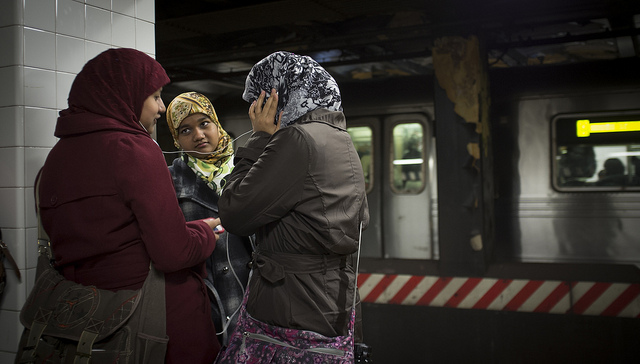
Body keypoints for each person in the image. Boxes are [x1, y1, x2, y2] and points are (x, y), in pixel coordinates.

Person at [35, 48, 220, 363]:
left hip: (86, 320)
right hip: (153, 321)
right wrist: (202, 234)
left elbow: (107, 237)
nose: (161, 108)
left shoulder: (55, 159)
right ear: (126, 95)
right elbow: (171, 253)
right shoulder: (133, 148)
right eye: (155, 96)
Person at [218, 51, 370, 343]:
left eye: (260, 101)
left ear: (277, 96)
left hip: (293, 306)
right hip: (332, 299)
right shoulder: (340, 137)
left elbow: (235, 211)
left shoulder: (296, 139)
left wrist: (260, 137)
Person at [165, 91, 253, 346]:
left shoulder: (247, 169)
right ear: (177, 139)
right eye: (185, 130)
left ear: (217, 124)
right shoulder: (170, 180)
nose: (198, 135)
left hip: (254, 297)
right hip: (205, 301)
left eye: (204, 123)